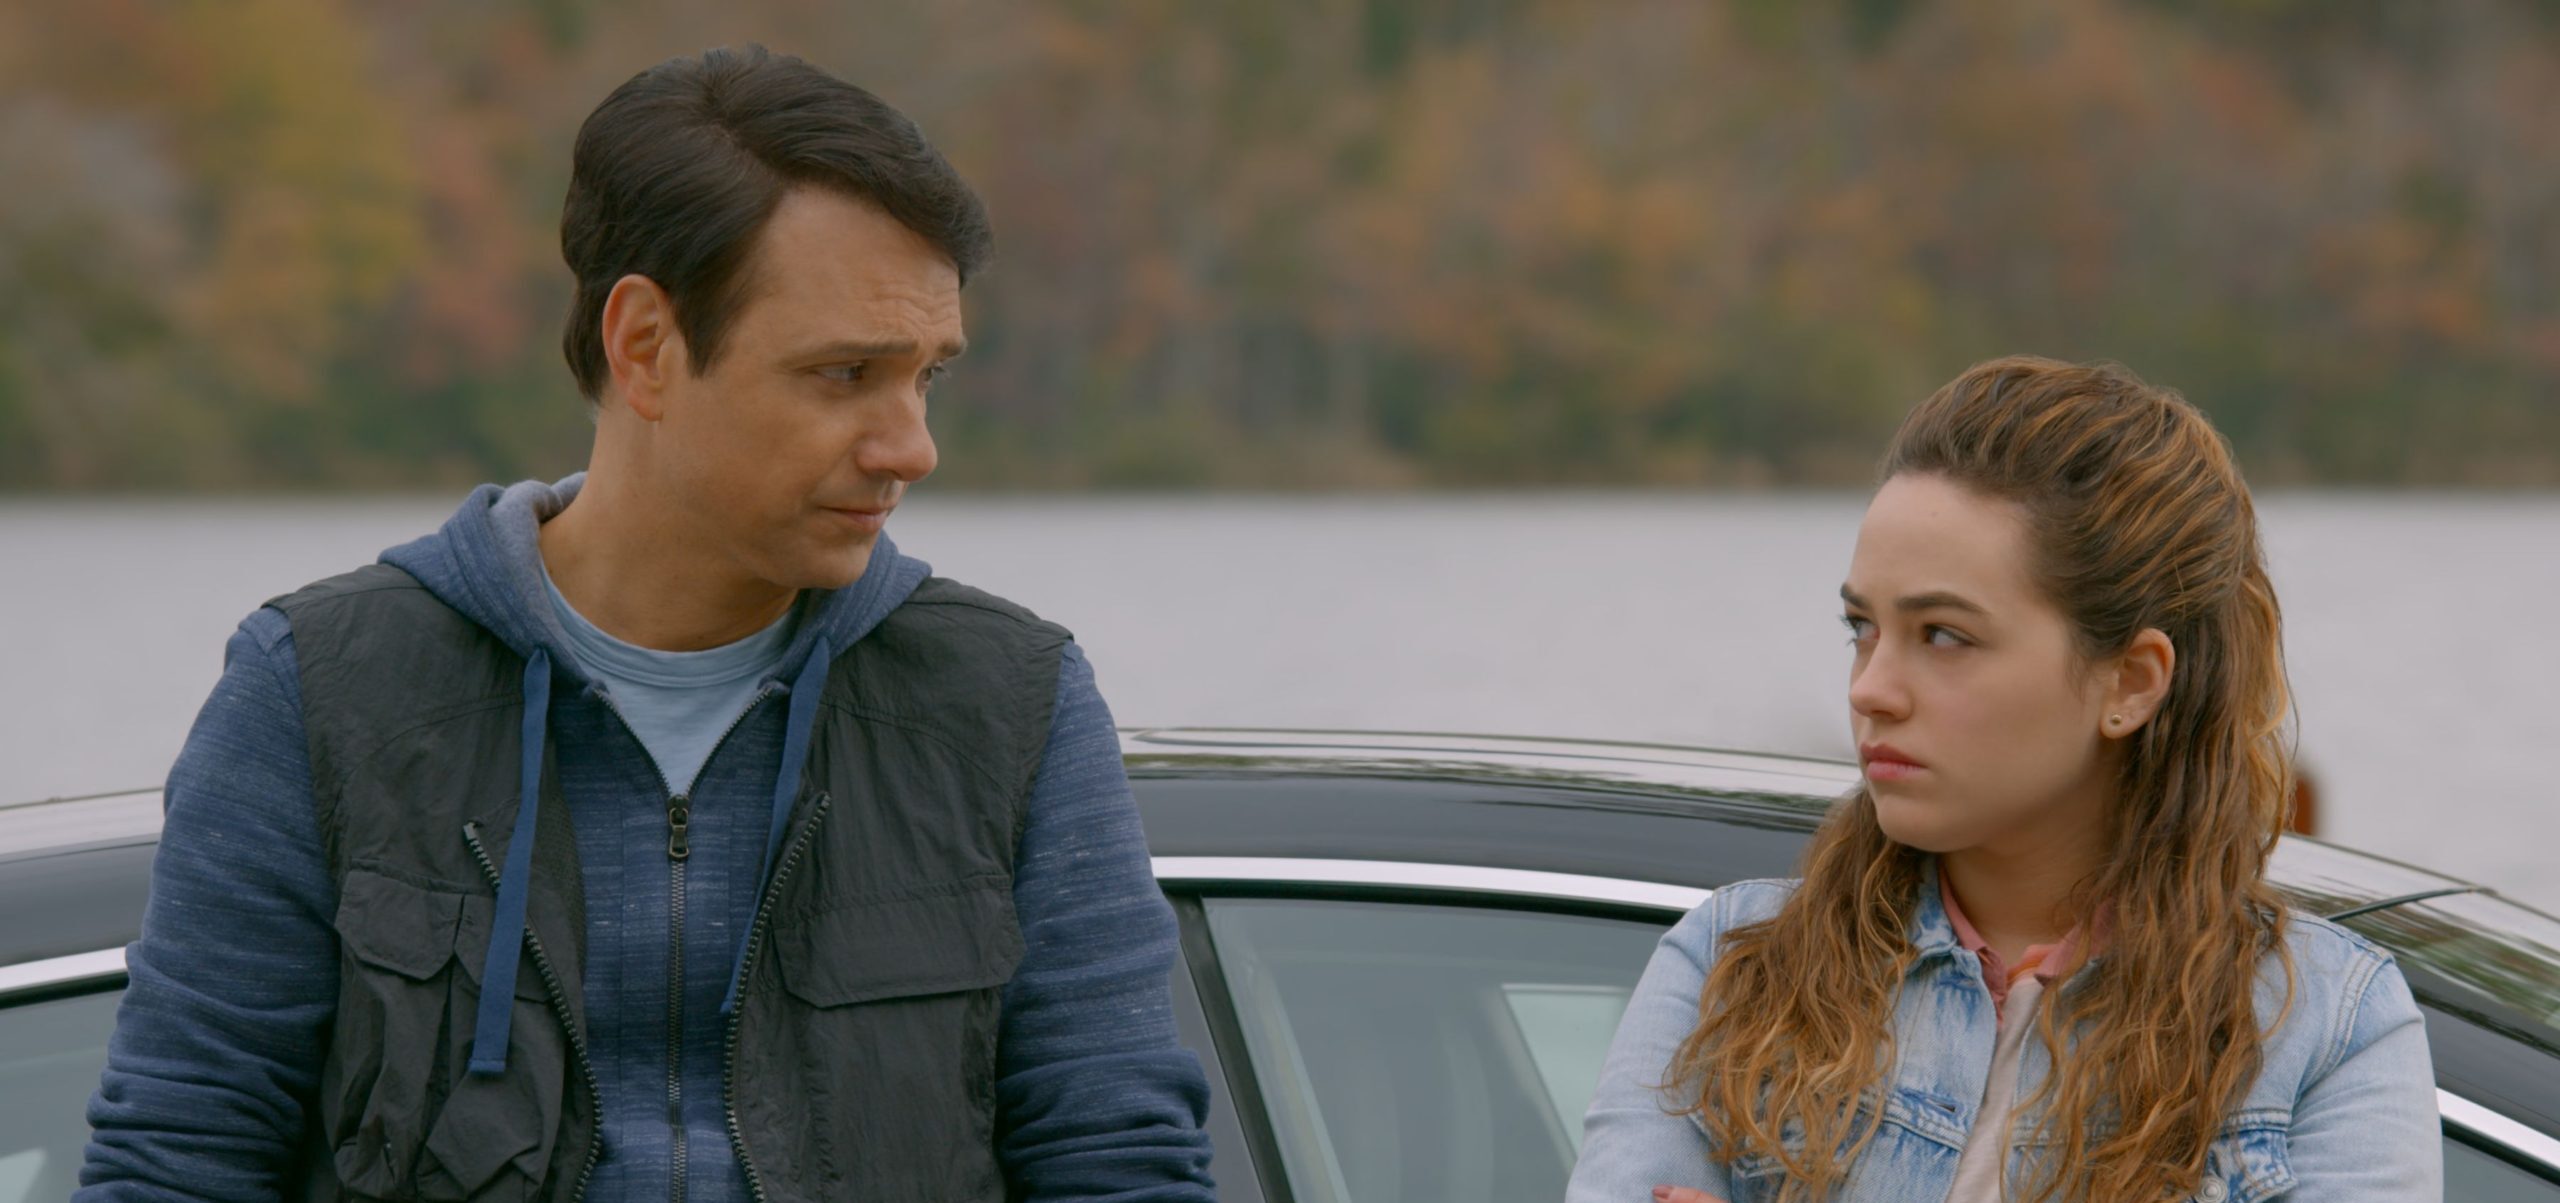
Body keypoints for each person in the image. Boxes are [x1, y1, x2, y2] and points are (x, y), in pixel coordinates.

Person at [78, 46, 1216, 1202]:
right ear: (645, 347)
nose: (910, 446)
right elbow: (176, 1164)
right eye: (846, 373)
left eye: (928, 377)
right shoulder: (319, 694)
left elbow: (1118, 1167)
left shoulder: (1009, 705)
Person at [1566, 357, 2440, 1202]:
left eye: (1944, 635)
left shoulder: (2328, 1027)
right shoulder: (1732, 965)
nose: (1870, 688)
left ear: (2131, 682)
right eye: (1861, 627)